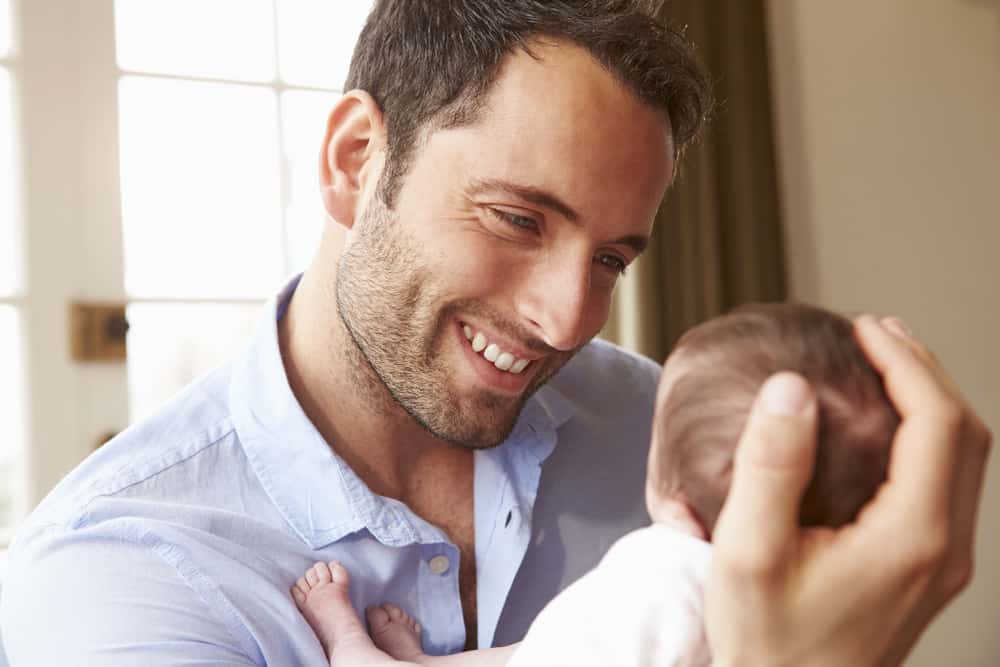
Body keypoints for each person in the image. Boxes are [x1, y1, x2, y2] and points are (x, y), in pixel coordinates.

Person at [0, 1, 991, 665]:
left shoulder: (678, 440)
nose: (569, 319)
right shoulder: (115, 583)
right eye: (518, 219)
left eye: (611, 260)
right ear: (355, 160)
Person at [284, 303, 899, 667]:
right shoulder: (823, 606)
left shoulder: (662, 572)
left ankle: (348, 642)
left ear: (675, 498)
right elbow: (552, 652)